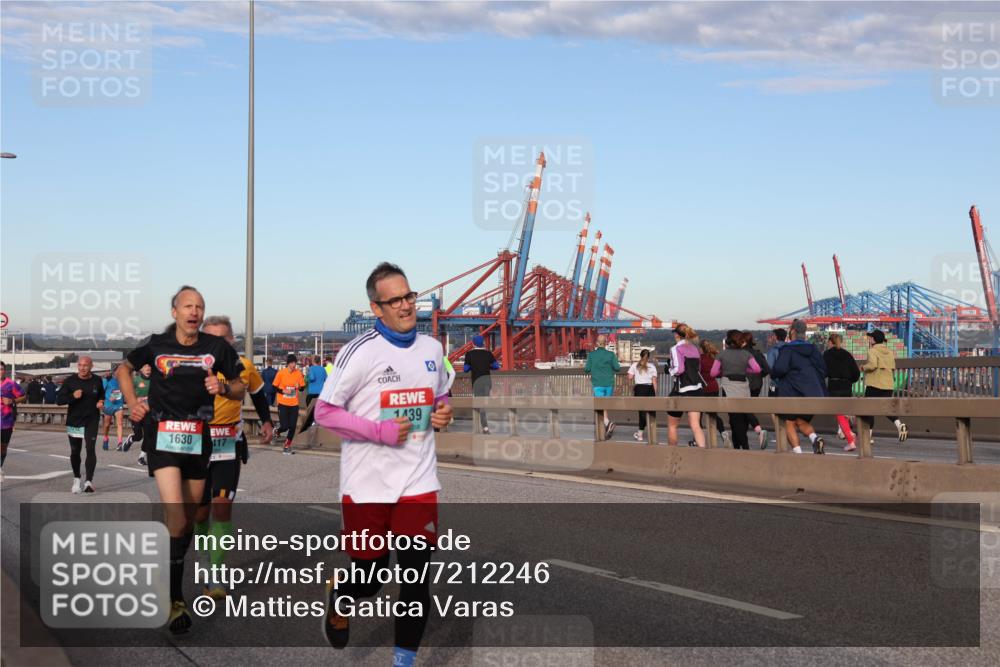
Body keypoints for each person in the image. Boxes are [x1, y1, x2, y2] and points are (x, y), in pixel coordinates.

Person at [314, 262, 453, 667]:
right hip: (367, 485)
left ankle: (403, 661)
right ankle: (341, 598)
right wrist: (379, 432)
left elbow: (441, 396)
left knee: (414, 580)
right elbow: (324, 413)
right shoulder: (359, 353)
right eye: (395, 300)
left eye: (409, 296)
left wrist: (442, 412)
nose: (407, 306)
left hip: (418, 480)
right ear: (377, 309)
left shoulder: (433, 349)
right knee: (370, 578)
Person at [117, 285, 242, 635]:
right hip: (163, 439)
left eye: (200, 307)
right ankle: (174, 600)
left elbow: (238, 387)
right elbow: (123, 369)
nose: (195, 312)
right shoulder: (156, 344)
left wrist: (224, 389)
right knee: (175, 517)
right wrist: (132, 403)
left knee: (191, 519)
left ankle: (169, 567)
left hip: (198, 440)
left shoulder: (215, 347)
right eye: (188, 306)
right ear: (175, 311)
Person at [194, 315, 274, 600]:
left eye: (223, 339)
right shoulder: (191, 367)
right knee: (201, 513)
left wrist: (266, 421)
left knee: (222, 507)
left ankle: (215, 573)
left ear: (231, 340)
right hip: (197, 446)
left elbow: (259, 394)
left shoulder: (244, 367)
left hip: (229, 444)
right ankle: (204, 561)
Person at [771, 319, 828, 454]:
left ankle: (798, 453)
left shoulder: (788, 349)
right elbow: (824, 370)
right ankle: (815, 438)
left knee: (789, 422)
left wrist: (775, 376)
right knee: (800, 420)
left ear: (793, 332)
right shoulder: (813, 349)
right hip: (814, 394)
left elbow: (779, 369)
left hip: (792, 392)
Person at [56, 356, 105, 492]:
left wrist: (101, 401)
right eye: (80, 365)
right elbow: (59, 400)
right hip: (75, 420)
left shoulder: (97, 380)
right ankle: (77, 479)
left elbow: (102, 394)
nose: (82, 368)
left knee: (90, 449)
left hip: (91, 420)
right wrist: (73, 396)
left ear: (91, 366)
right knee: (75, 451)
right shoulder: (70, 381)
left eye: (85, 365)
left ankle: (88, 481)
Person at [715, 331, 762, 450]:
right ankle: (755, 433)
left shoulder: (722, 354)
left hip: (729, 387)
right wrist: (745, 370)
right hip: (743, 386)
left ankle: (742, 449)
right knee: (743, 416)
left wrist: (724, 372)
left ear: (728, 341)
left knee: (734, 419)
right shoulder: (746, 354)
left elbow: (713, 372)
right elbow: (757, 369)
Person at [860, 329, 908, 442]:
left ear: (874, 340)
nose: (869, 339)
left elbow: (872, 365)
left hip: (874, 384)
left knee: (868, 410)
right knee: (887, 409)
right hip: (888, 385)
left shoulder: (872, 350)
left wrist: (863, 367)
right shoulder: (890, 352)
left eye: (871, 338)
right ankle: (899, 425)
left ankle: (869, 437)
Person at [666, 324, 706, 448]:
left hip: (681, 389)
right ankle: (703, 454)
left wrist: (669, 370)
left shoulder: (676, 348)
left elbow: (679, 369)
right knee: (695, 425)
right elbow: (697, 369)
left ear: (677, 335)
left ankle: (672, 456)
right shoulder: (694, 348)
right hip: (697, 389)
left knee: (673, 425)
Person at [824, 333, 861, 452]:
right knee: (844, 411)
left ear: (830, 342)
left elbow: (822, 371)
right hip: (847, 386)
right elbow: (856, 373)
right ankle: (851, 422)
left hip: (834, 386)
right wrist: (850, 380)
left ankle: (850, 439)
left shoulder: (827, 354)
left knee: (839, 413)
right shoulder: (847, 355)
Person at [584, 334, 621, 438]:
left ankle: (607, 424)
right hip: (609, 383)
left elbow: (586, 369)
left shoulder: (591, 355)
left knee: (599, 406)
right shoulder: (611, 354)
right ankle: (606, 426)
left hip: (597, 384)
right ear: (606, 343)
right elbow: (617, 368)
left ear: (597, 343)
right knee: (604, 406)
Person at [463, 334, 499, 434]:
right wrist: (488, 365)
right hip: (487, 381)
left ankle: (485, 427)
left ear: (473, 343)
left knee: (480, 404)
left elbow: (465, 369)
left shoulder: (469, 354)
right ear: (482, 343)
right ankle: (484, 425)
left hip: (477, 382)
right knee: (484, 403)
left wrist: (472, 366)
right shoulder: (488, 353)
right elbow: (496, 366)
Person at [273, 354, 305, 454]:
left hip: (294, 404)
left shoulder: (298, 373)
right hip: (282, 403)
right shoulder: (281, 373)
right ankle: (277, 431)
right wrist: (283, 391)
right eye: (291, 363)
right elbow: (274, 386)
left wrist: (299, 386)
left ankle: (287, 446)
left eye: (295, 363)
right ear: (288, 363)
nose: (293, 365)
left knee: (292, 426)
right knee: (285, 426)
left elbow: (303, 388)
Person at [1, 361, 27, 480]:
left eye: (1, 369)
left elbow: (23, 396)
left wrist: (12, 401)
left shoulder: (10, 384)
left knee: (3, 447)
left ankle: (0, 466)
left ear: (4, 370)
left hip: (6, 421)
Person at [744, 333, 770, 448]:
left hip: (743, 384)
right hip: (757, 384)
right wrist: (759, 375)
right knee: (748, 409)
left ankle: (758, 430)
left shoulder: (741, 353)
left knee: (743, 409)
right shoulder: (758, 354)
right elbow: (767, 369)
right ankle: (746, 436)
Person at [627, 349, 657, 442]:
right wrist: (655, 394)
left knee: (642, 413)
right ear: (649, 357)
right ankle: (651, 433)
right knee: (651, 412)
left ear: (640, 356)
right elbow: (655, 382)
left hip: (640, 389)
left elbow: (630, 377)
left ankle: (640, 435)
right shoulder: (652, 367)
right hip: (650, 389)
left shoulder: (635, 365)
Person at [698, 340, 726, 439]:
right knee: (713, 413)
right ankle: (723, 432)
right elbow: (720, 373)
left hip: (702, 388)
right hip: (714, 387)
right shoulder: (714, 358)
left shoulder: (699, 359)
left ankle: (698, 438)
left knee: (698, 414)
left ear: (701, 348)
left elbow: (696, 373)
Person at [298, 355, 328, 434]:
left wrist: (308, 374)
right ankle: (319, 423)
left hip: (312, 393)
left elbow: (312, 378)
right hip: (321, 393)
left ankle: (310, 425)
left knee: (309, 411)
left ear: (314, 361)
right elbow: (326, 379)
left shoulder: (311, 369)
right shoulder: (323, 369)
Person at [102, 366, 126, 451]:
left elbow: (124, 391)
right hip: (108, 405)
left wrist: (117, 396)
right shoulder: (107, 380)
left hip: (118, 404)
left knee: (119, 423)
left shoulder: (123, 380)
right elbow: (101, 391)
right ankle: (105, 438)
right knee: (107, 425)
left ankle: (119, 443)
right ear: (114, 372)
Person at [765, 328, 787, 395]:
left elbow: (769, 367)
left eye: (773, 335)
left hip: (775, 385)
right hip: (789, 384)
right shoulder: (790, 349)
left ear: (776, 337)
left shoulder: (773, 350)